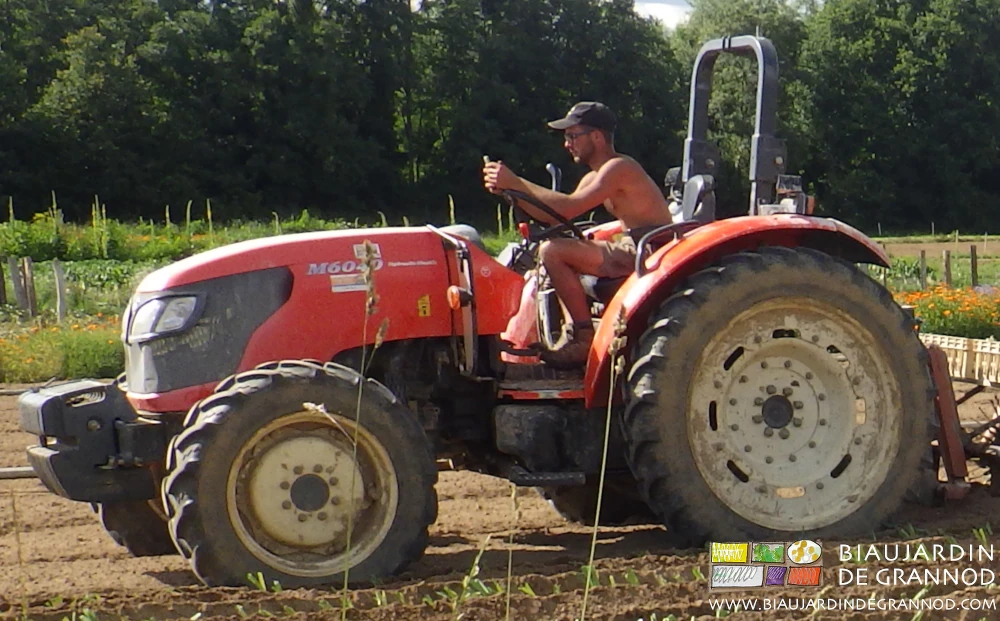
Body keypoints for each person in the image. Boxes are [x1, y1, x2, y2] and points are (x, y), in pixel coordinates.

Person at [483, 101, 673, 368]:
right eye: (566, 137)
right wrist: (510, 191)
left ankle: (583, 338)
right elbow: (554, 213)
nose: (567, 144)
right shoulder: (596, 176)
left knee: (554, 251)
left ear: (596, 136)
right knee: (554, 249)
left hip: (649, 250)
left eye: (573, 136)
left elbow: (567, 208)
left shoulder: (619, 168)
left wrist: (515, 182)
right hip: (635, 246)